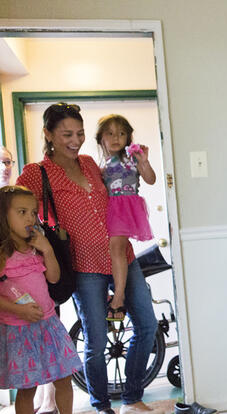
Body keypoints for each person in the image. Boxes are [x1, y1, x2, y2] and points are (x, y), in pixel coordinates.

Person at [16, 103, 161, 414]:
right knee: (95, 342)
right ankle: (101, 404)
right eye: (67, 134)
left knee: (147, 326)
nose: (75, 140)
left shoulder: (91, 164)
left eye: (80, 133)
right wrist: (34, 244)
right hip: (84, 266)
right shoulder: (36, 172)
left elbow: (124, 192)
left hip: (122, 255)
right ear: (48, 134)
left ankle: (133, 396)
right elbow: (13, 211)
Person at [0, 185, 82, 414]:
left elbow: (54, 278)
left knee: (64, 378)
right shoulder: (3, 254)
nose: (30, 218)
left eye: (33, 212)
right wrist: (20, 312)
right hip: (19, 330)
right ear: (3, 216)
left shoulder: (35, 247)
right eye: (21, 212)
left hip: (48, 324)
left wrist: (47, 250)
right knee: (28, 388)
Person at [95, 114, 155, 321]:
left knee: (117, 248)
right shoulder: (101, 164)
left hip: (127, 207)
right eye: (110, 133)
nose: (116, 138)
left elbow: (151, 179)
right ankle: (115, 295)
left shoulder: (132, 157)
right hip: (110, 209)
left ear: (128, 137)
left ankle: (118, 297)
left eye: (121, 133)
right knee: (114, 249)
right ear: (101, 138)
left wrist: (144, 163)